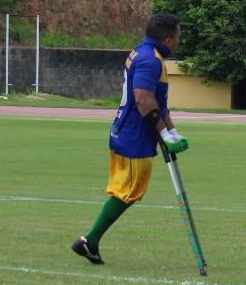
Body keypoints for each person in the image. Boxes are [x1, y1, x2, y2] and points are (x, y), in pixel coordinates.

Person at [72, 13, 190, 264]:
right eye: (178, 38)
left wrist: (172, 131)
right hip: (134, 135)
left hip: (131, 132)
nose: (179, 42)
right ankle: (88, 241)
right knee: (128, 191)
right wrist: (164, 133)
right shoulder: (150, 60)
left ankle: (90, 241)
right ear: (168, 40)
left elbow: (158, 102)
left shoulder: (145, 51)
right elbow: (144, 100)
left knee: (128, 190)